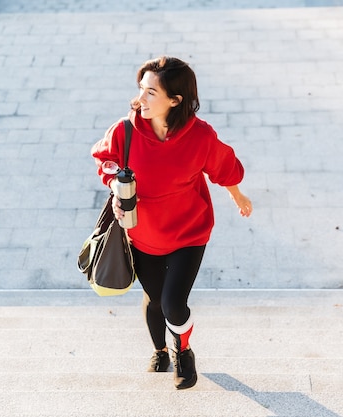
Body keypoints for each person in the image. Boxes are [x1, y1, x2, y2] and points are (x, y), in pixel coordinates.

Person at [91, 56, 252, 390]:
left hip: (189, 232)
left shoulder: (200, 136)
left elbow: (224, 168)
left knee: (173, 303)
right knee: (153, 299)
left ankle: (184, 350)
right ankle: (160, 350)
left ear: (175, 100)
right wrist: (115, 185)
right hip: (142, 233)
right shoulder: (125, 130)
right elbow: (103, 159)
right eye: (141, 89)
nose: (141, 98)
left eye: (151, 92)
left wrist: (238, 196)